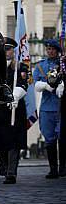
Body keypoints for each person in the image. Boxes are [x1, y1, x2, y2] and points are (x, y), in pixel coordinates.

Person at [0, 37, 28, 184]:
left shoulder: (20, 67)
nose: (6, 52)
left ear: (13, 51)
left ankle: (11, 172)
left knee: (14, 141)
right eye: (4, 49)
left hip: (16, 109)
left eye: (8, 49)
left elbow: (25, 84)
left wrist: (15, 95)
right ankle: (3, 167)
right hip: (0, 108)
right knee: (2, 139)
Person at [33, 39, 63, 178]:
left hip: (61, 106)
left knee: (63, 138)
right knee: (49, 138)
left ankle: (63, 167)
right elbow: (35, 82)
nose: (50, 51)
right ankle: (53, 169)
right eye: (48, 49)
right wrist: (44, 85)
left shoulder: (62, 64)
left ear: (57, 50)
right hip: (47, 107)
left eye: (53, 49)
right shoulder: (41, 65)